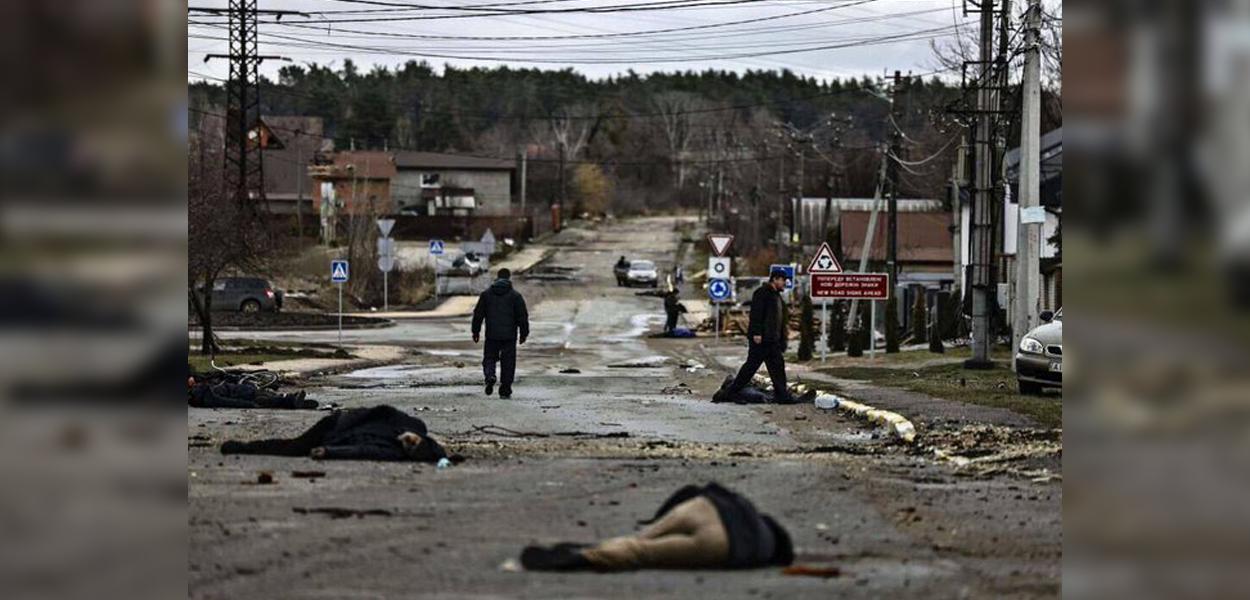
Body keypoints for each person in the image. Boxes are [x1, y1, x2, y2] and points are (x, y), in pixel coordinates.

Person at [520, 482, 793, 571]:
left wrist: (657, 519)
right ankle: (589, 556)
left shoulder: (748, 509)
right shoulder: (763, 549)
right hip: (722, 543)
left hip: (703, 506)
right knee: (643, 553)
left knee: (642, 538)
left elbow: (693, 490)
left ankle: (619, 542)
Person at [220, 405, 452, 463]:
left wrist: (329, 452)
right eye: (413, 441)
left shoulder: (394, 451)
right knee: (294, 448)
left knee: (293, 449)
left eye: (409, 447)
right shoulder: (411, 423)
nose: (407, 443)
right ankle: (242, 447)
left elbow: (363, 452)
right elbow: (381, 410)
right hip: (337, 425)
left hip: (337, 436)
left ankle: (241, 447)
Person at [714, 270, 796, 404]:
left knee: (777, 367)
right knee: (750, 368)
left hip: (772, 340)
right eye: (782, 280)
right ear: (775, 279)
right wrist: (757, 333)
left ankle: (782, 396)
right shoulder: (762, 293)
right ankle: (730, 393)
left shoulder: (776, 296)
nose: (784, 283)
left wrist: (782, 338)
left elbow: (778, 320)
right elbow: (756, 314)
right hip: (762, 339)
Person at [472, 268, 529, 399]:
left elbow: (478, 314)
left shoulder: (486, 295)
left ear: (497, 278)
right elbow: (522, 317)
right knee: (508, 362)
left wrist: (475, 331)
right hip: (509, 336)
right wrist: (524, 334)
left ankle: (490, 376)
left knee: (489, 358)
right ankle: (505, 388)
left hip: (492, 335)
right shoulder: (515, 296)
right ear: (509, 278)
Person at [187, 376, 316, 409]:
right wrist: (245, 404)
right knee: (264, 400)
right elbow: (224, 402)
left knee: (266, 395)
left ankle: (291, 401)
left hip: (244, 391)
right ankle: (290, 401)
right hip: (243, 396)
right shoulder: (202, 394)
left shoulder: (203, 388)